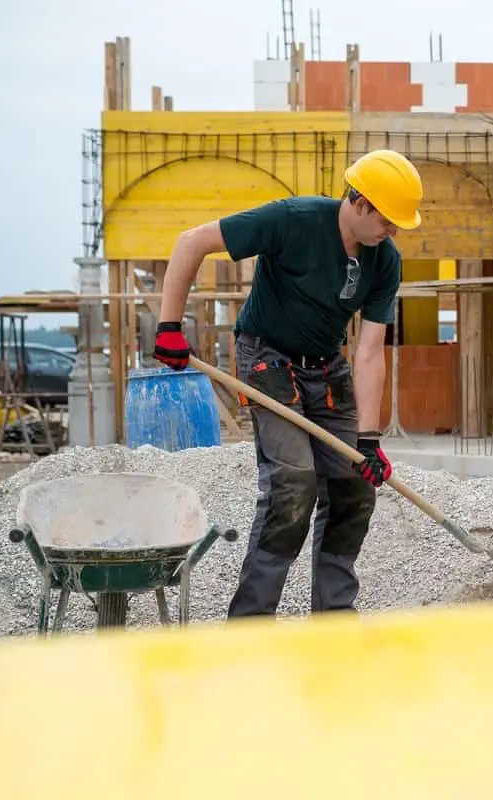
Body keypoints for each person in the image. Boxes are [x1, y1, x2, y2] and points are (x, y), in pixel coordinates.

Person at [151, 149, 424, 618]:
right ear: (360, 203)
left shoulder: (385, 261)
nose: (393, 230)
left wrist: (370, 437)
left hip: (327, 369)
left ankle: (334, 616)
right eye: (388, 219)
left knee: (354, 486)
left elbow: (369, 352)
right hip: (268, 360)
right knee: (294, 483)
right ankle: (252, 622)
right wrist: (169, 326)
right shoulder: (292, 219)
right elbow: (191, 241)